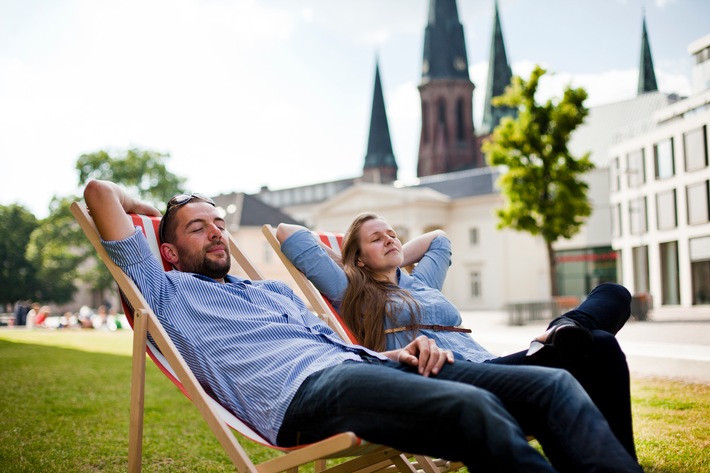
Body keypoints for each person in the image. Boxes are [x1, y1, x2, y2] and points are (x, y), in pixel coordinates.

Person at [83, 179, 643, 473]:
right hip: (302, 397)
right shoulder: (163, 290)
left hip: (360, 369)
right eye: (197, 229)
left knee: (555, 384)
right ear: (167, 251)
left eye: (218, 225)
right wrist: (167, 209)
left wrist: (395, 356)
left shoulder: (270, 291)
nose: (215, 234)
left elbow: (334, 345)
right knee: (473, 411)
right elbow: (100, 196)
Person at [277, 213, 637, 458]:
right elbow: (288, 233)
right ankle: (564, 330)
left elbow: (439, 239)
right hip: (452, 377)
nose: (389, 239)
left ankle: (566, 328)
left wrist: (393, 255)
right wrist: (347, 262)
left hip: (493, 366)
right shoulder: (351, 289)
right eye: (377, 239)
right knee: (600, 345)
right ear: (357, 259)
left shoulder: (421, 281)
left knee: (614, 293)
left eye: (392, 234)